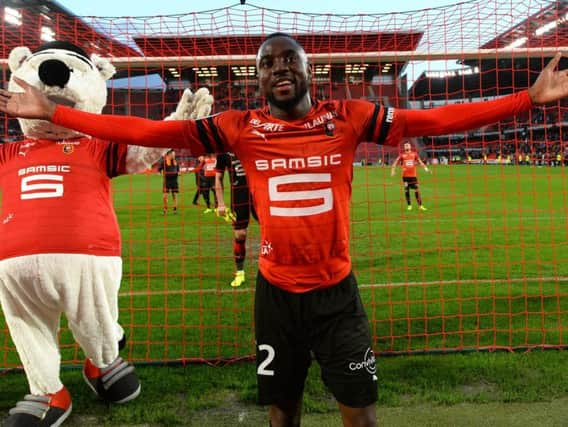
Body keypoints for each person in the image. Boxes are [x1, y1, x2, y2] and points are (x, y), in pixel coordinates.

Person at [1, 33, 567, 427]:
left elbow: (433, 119)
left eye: (287, 60)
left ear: (306, 69)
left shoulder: (349, 117)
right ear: (259, 75)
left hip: (338, 294)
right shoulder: (240, 128)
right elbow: (147, 136)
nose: (278, 69)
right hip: (274, 295)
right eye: (267, 63)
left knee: (360, 410)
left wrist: (527, 99)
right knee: (281, 409)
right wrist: (61, 114)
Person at [214, 151, 256, 287]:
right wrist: (220, 203)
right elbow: (218, 177)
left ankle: (277, 269)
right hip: (239, 195)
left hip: (259, 192)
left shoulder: (252, 140)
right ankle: (240, 273)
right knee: (240, 234)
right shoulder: (223, 150)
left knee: (272, 231)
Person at [390, 141, 430, 211]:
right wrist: (393, 171)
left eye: (408, 145)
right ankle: (409, 205)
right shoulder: (402, 155)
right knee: (406, 190)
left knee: (417, 190)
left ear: (410, 146)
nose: (407, 147)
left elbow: (420, 162)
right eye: (405, 146)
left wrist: (426, 168)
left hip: (413, 176)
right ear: (404, 147)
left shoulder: (414, 154)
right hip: (405, 176)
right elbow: (395, 163)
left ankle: (420, 206)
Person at [157, 149, 180, 215]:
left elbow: (178, 170)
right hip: (167, 181)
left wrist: (179, 173)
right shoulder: (164, 162)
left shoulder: (176, 162)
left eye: (174, 154)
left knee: (174, 196)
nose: (174, 155)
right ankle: (165, 210)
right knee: (165, 196)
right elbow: (159, 169)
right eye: (173, 154)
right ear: (169, 155)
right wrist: (159, 172)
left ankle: (175, 210)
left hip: (174, 181)